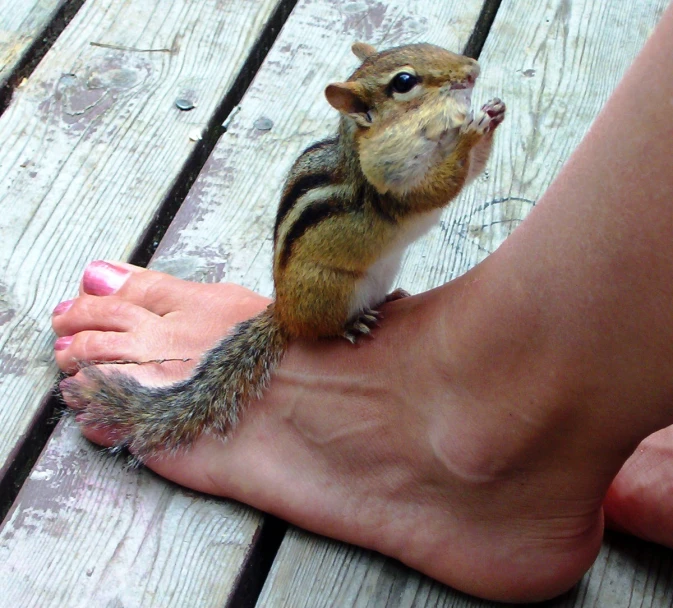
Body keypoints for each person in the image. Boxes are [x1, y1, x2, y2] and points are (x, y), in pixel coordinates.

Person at [52, 4, 673, 602]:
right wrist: (460, 146)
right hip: (331, 286)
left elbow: (445, 179)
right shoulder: (383, 165)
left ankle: (509, 431)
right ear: (362, 113)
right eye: (409, 84)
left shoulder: (401, 148)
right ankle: (562, 417)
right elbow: (426, 193)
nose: (458, 77)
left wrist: (470, 142)